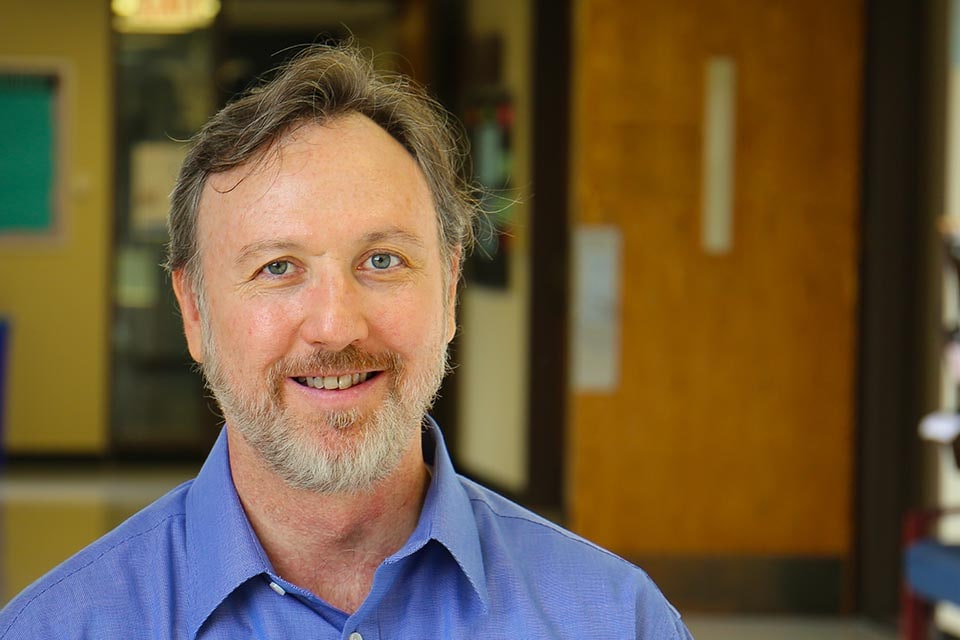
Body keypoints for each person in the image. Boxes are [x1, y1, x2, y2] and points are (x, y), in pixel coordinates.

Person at [0, 44, 693, 639]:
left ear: (449, 289)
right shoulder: (62, 626)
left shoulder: (612, 619)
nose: (336, 326)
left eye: (383, 261)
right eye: (278, 268)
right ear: (193, 313)